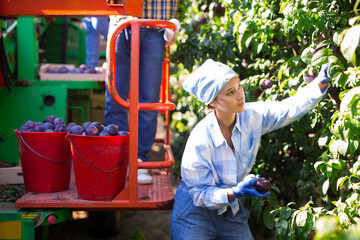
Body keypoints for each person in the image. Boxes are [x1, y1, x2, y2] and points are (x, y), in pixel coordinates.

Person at [170, 59, 331, 239]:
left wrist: (319, 84)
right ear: (213, 102)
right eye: (231, 92)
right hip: (195, 212)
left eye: (239, 86)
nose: (240, 95)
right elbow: (200, 195)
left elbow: (287, 108)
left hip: (231, 210)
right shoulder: (200, 139)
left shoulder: (252, 116)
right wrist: (235, 192)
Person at [105, 1, 180, 184]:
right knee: (116, 95)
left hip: (155, 24)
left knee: (149, 99)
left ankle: (139, 160)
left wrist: (174, 23)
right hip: (122, 23)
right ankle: (118, 159)